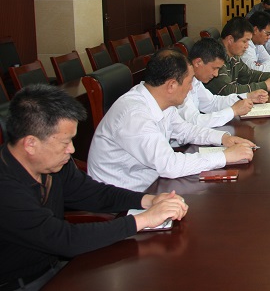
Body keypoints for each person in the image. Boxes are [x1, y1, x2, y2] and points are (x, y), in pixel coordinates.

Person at [0, 84, 189, 290]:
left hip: (57, 267)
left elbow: (93, 193)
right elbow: (64, 239)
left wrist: (147, 200)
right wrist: (144, 220)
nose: (71, 149)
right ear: (30, 144)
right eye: (65, 142)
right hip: (21, 283)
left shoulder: (52, 164)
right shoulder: (6, 188)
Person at [88, 49, 257, 191]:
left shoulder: (161, 101)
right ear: (171, 85)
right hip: (127, 197)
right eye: (189, 82)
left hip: (153, 183)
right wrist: (224, 156)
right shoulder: (135, 115)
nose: (191, 88)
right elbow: (169, 165)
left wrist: (223, 138)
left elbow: (185, 130)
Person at [178, 37, 268, 131]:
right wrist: (233, 111)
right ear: (198, 62)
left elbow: (212, 103)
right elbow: (194, 122)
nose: (216, 74)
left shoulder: (195, 81)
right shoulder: (180, 83)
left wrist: (248, 96)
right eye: (214, 68)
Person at [205, 17, 270, 96]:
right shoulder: (215, 57)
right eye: (244, 41)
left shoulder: (233, 56)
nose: (247, 46)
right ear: (230, 39)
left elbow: (248, 75)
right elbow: (227, 90)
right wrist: (264, 85)